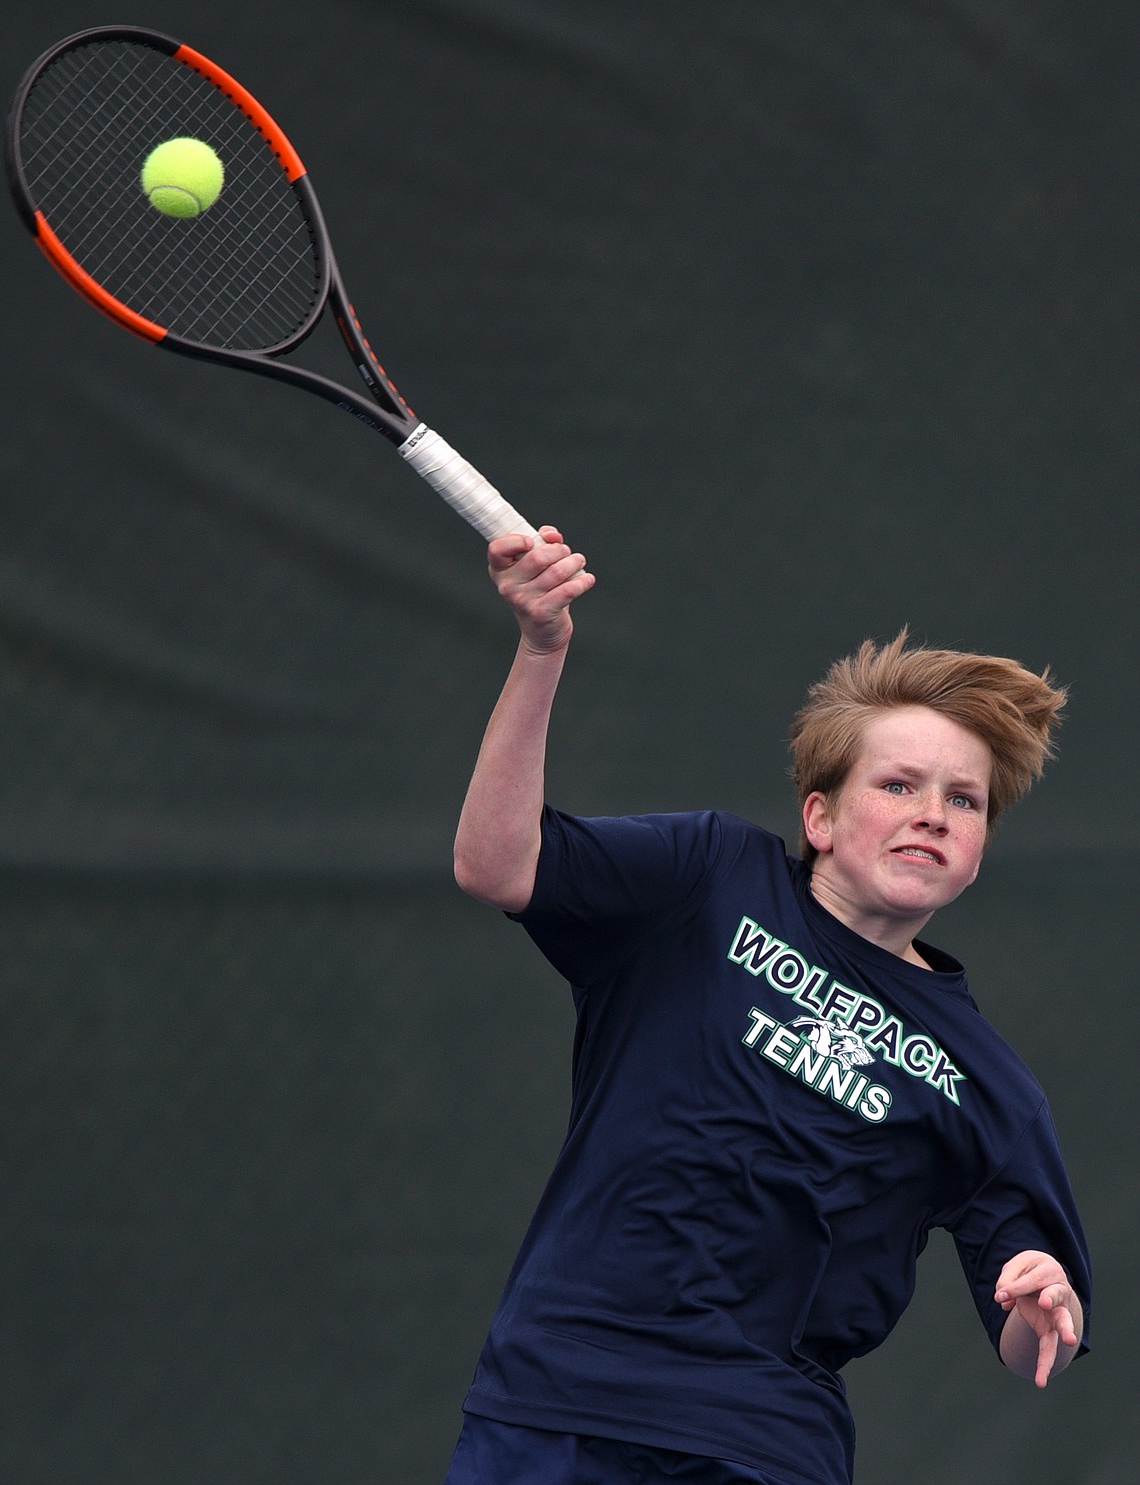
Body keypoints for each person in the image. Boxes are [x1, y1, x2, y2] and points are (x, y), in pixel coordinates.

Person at [445, 527, 1091, 1485]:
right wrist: (542, 649)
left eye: (965, 800)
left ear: (981, 846)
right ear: (820, 816)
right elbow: (494, 863)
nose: (933, 812)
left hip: (760, 1447)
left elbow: (1031, 1333)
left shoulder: (987, 1081)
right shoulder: (708, 879)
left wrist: (1044, 1306)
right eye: (899, 783)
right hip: (556, 1400)